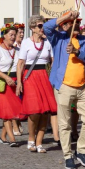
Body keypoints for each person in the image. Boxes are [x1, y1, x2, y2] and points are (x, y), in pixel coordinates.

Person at [44, 10, 85, 169]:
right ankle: (68, 155)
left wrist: (77, 52)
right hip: (64, 86)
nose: (77, 25)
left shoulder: (83, 40)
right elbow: (46, 27)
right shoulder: (58, 38)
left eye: (78, 22)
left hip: (83, 85)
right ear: (65, 25)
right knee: (64, 123)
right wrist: (66, 16)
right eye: (74, 22)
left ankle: (81, 151)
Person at [17, 15, 58, 152]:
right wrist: (19, 83)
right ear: (32, 28)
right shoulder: (26, 43)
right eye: (40, 26)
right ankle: (31, 138)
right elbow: (21, 63)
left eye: (43, 26)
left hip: (44, 77)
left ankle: (39, 142)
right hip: (30, 76)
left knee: (45, 111)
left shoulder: (47, 43)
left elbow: (53, 61)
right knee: (34, 111)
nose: (42, 29)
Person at [0, 24, 25, 147]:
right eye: (11, 34)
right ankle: (12, 139)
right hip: (2, 83)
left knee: (14, 111)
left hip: (15, 83)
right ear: (4, 35)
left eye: (14, 35)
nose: (13, 37)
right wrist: (6, 78)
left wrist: (19, 82)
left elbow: (21, 66)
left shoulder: (17, 51)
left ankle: (2, 136)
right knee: (6, 112)